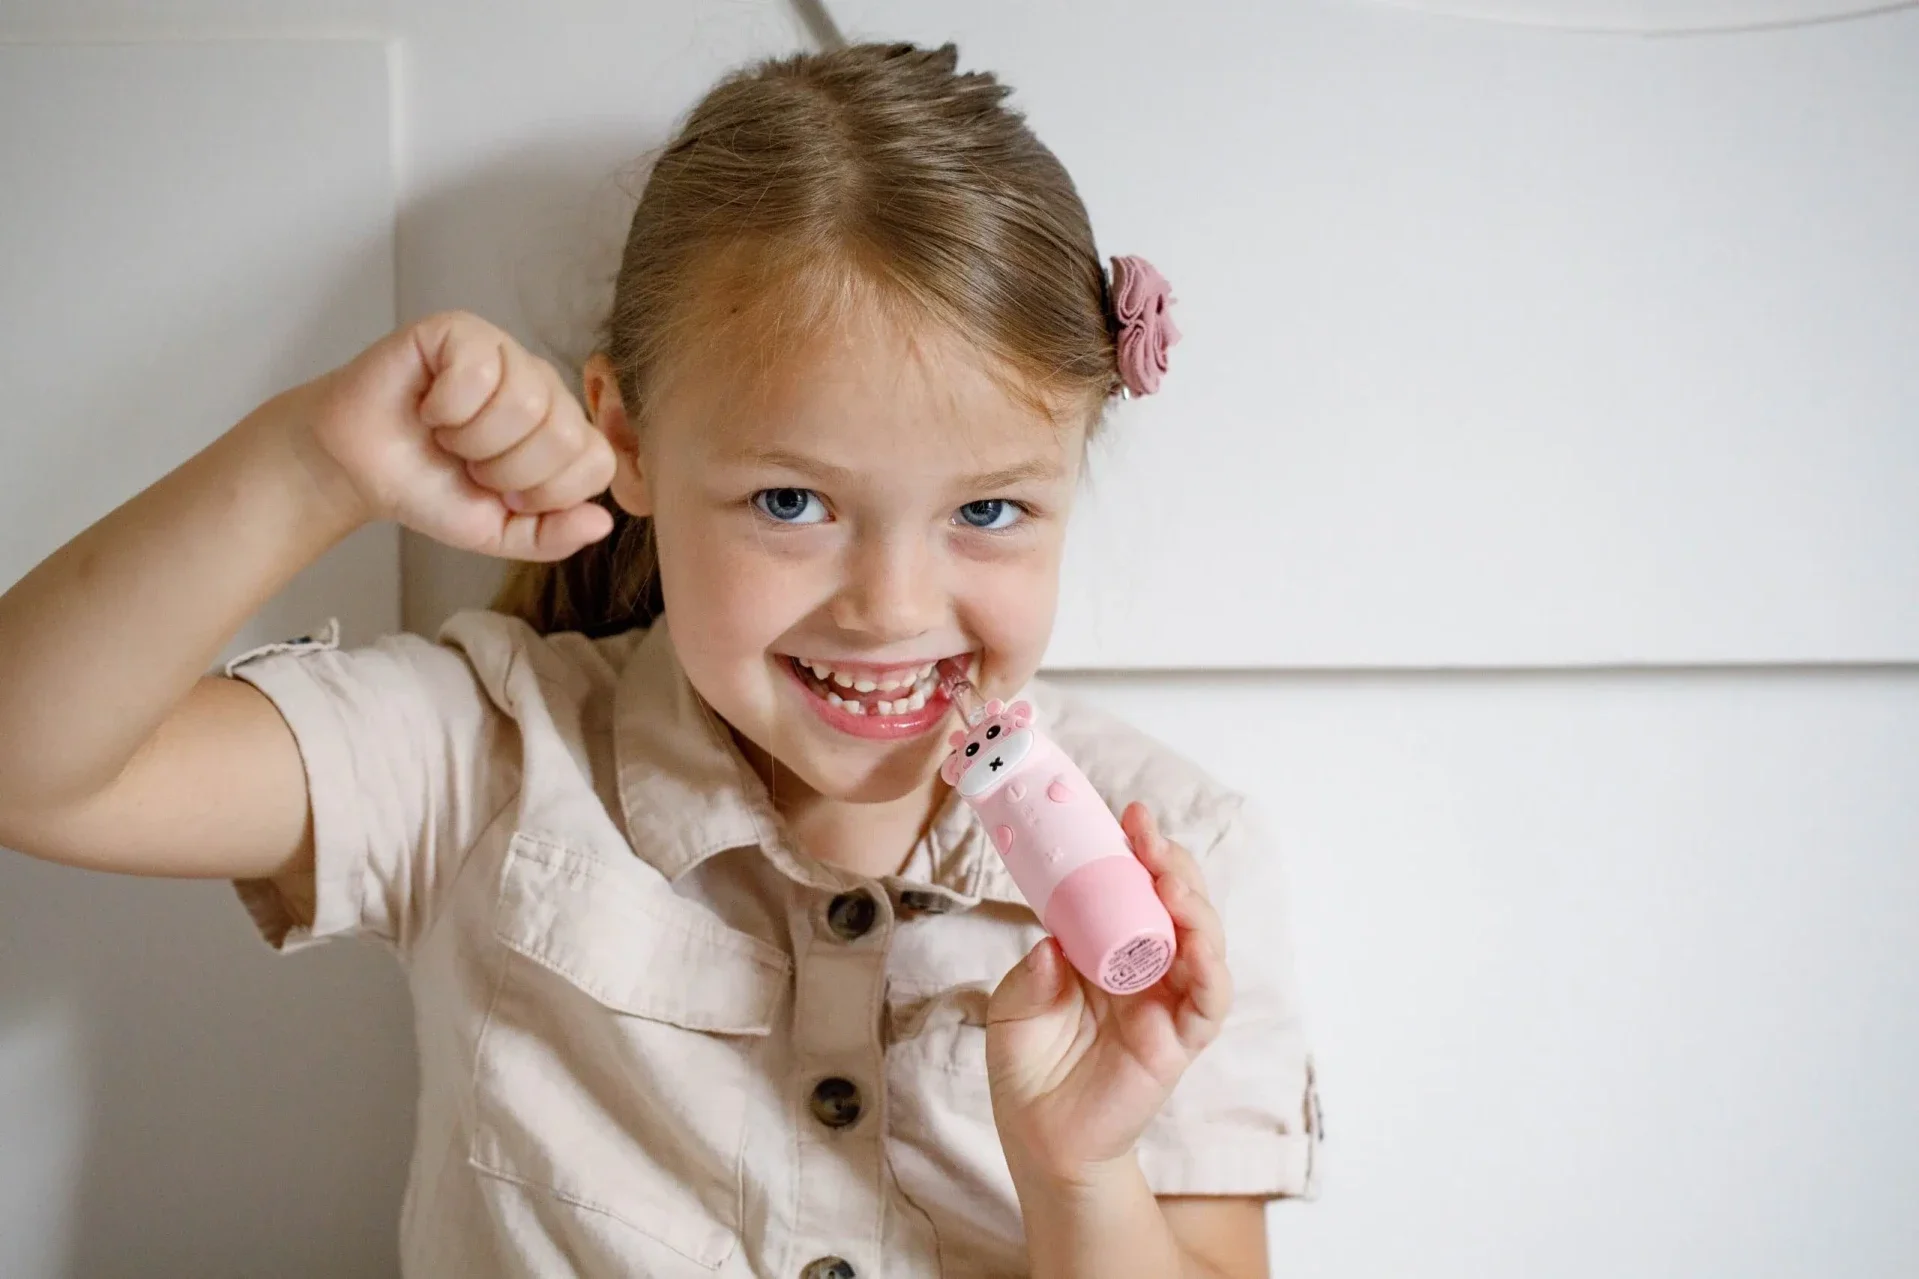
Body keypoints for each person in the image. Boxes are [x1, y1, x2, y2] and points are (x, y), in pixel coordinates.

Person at [0, 41, 1318, 1278]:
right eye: (791, 502)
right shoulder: (483, 759)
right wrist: (315, 466)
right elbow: (33, 767)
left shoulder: (1177, 859)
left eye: (987, 509)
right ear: (625, 440)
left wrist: (1082, 1176)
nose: (891, 607)